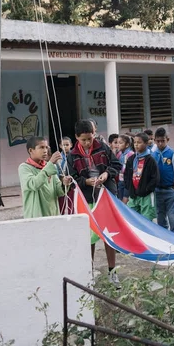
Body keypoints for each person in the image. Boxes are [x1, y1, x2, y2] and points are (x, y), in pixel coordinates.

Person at [67, 119, 122, 286]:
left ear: (94, 135)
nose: (87, 142)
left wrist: (106, 174)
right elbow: (72, 178)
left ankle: (112, 271)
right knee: (89, 238)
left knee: (109, 236)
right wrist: (86, 182)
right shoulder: (72, 155)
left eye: (90, 138)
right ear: (76, 137)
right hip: (87, 198)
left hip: (105, 196)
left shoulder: (103, 147)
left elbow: (116, 164)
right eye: (83, 139)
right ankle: (88, 272)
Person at [19, 136, 72, 219]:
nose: (45, 151)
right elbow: (34, 184)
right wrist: (50, 164)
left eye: (46, 147)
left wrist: (64, 184)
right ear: (31, 150)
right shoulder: (24, 168)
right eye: (41, 147)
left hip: (52, 213)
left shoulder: (49, 166)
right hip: (36, 214)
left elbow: (59, 191)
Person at [124, 132, 159, 221]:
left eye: (139, 142)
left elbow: (155, 178)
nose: (136, 145)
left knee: (146, 220)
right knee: (132, 218)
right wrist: (130, 188)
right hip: (133, 195)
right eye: (135, 142)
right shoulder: (131, 159)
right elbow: (127, 175)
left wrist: (147, 189)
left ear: (146, 143)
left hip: (146, 195)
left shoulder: (150, 160)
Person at [152, 127, 174, 234]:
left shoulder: (173, 154)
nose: (160, 143)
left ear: (167, 140)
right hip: (157, 190)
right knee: (160, 216)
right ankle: (164, 238)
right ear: (154, 140)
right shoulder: (153, 155)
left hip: (170, 190)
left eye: (162, 141)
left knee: (172, 216)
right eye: (157, 141)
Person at [56, 136, 74, 215]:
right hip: (61, 183)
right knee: (61, 202)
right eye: (63, 145)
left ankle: (72, 216)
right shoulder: (58, 157)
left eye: (67, 145)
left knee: (71, 201)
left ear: (71, 145)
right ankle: (61, 216)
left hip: (71, 183)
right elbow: (56, 171)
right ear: (60, 146)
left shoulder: (74, 156)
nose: (65, 147)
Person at [116, 134, 134, 202]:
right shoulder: (119, 154)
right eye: (117, 142)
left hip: (128, 181)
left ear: (127, 145)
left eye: (120, 143)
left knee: (125, 199)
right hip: (121, 180)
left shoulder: (131, 154)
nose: (118, 145)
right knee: (120, 199)